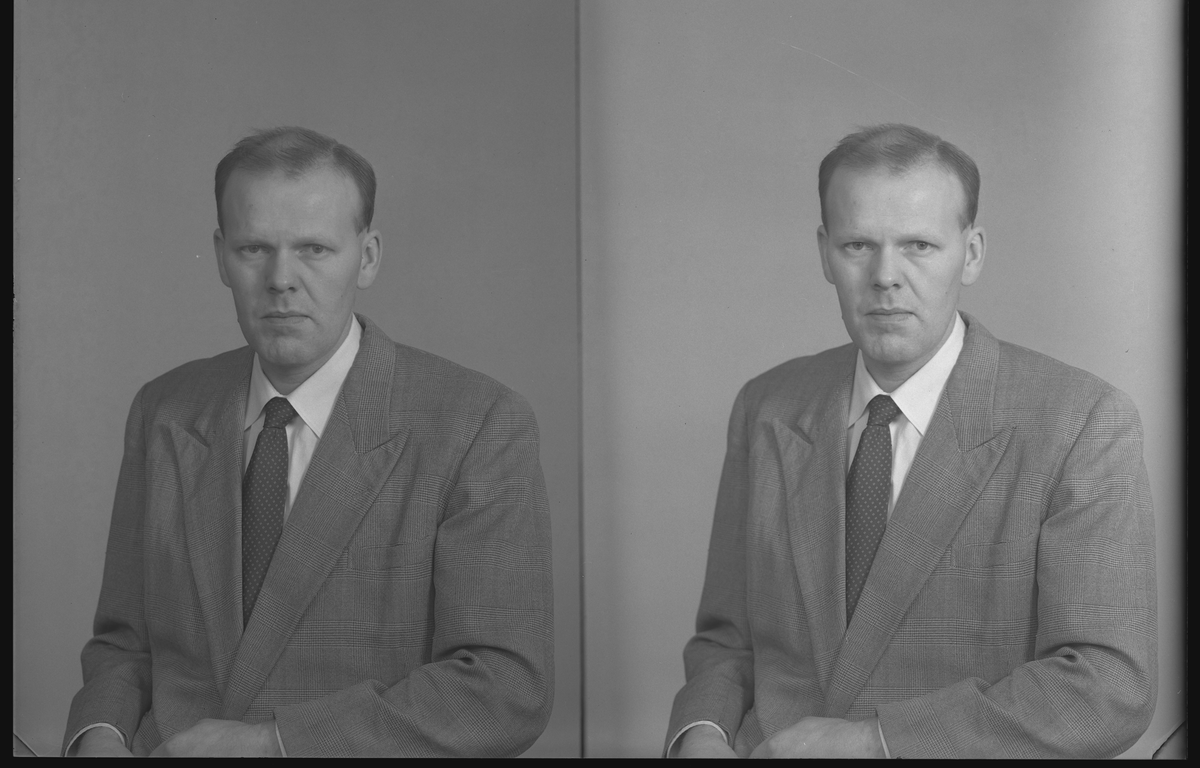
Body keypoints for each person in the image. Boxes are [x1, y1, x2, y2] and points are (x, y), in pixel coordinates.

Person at [666, 124, 1157, 759]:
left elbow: (1107, 687)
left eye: (919, 245)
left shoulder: (1082, 421)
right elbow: (727, 641)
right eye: (858, 245)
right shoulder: (767, 406)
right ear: (824, 254)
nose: (885, 276)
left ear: (971, 254)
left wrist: (875, 742)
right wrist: (699, 734)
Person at [63, 127, 554, 757]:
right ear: (221, 256)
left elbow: (504, 689)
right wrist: (98, 737)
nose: (281, 279)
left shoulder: (478, 423)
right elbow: (123, 644)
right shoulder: (164, 410)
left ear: (367, 257)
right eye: (254, 248)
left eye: (314, 249)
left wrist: (272, 744)